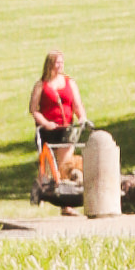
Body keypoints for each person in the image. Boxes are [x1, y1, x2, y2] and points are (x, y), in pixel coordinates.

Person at [29, 49, 85, 202]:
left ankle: (66, 204)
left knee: (65, 166)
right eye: (56, 63)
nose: (59, 66)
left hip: (66, 130)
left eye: (61, 62)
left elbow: (77, 105)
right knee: (48, 168)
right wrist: (46, 123)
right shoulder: (41, 85)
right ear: (49, 65)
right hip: (48, 131)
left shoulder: (69, 83)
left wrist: (82, 118)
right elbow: (33, 109)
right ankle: (42, 191)